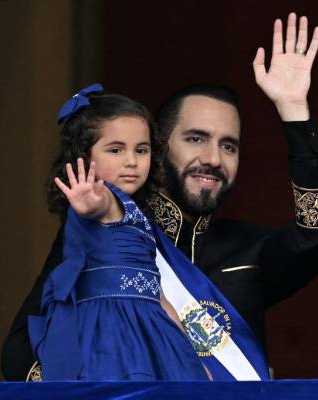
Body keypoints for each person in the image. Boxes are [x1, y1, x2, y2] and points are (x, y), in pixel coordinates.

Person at [1, 13, 318, 380]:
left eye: (228, 146)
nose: (213, 159)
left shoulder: (250, 250)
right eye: (196, 138)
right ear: (159, 149)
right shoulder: (102, 229)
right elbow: (20, 352)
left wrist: (294, 112)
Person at [27, 86, 209, 380]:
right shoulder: (103, 198)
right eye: (116, 150)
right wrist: (89, 203)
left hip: (152, 331)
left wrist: (192, 358)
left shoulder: (140, 216)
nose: (131, 161)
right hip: (112, 337)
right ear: (85, 157)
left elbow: (158, 295)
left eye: (142, 150)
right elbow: (97, 205)